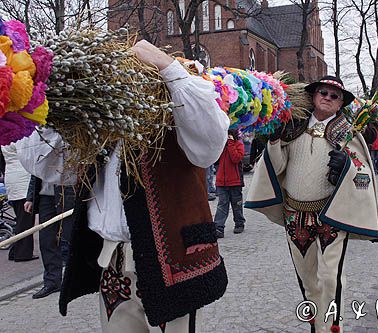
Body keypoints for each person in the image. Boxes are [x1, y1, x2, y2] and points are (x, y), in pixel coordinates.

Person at [17, 40, 229, 332]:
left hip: (175, 261)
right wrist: (49, 107)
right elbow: (48, 166)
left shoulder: (177, 96)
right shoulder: (96, 122)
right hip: (114, 261)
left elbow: (210, 145)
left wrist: (167, 66)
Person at [245, 75, 378, 333]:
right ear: (313, 95)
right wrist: (273, 142)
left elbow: (363, 177)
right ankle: (318, 327)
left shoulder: (347, 133)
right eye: (323, 92)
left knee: (330, 277)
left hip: (330, 215)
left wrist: (347, 168)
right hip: (295, 215)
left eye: (334, 95)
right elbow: (277, 168)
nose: (327, 98)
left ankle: (333, 327)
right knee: (308, 280)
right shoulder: (292, 128)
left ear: (341, 103)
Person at [25, 175, 75, 299]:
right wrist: (30, 197)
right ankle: (52, 281)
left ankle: (80, 277)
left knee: (72, 237)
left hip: (67, 193)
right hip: (45, 197)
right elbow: (35, 170)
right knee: (47, 240)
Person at [1, 144, 37, 262]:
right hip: (23, 179)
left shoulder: (3, 140)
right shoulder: (20, 140)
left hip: (11, 178)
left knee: (21, 218)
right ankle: (22, 253)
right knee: (25, 220)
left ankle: (15, 250)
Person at [213, 129, 246, 238]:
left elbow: (236, 158)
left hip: (235, 181)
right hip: (221, 181)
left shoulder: (239, 145)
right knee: (222, 204)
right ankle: (218, 227)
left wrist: (231, 144)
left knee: (236, 204)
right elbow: (214, 158)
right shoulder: (221, 146)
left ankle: (239, 223)